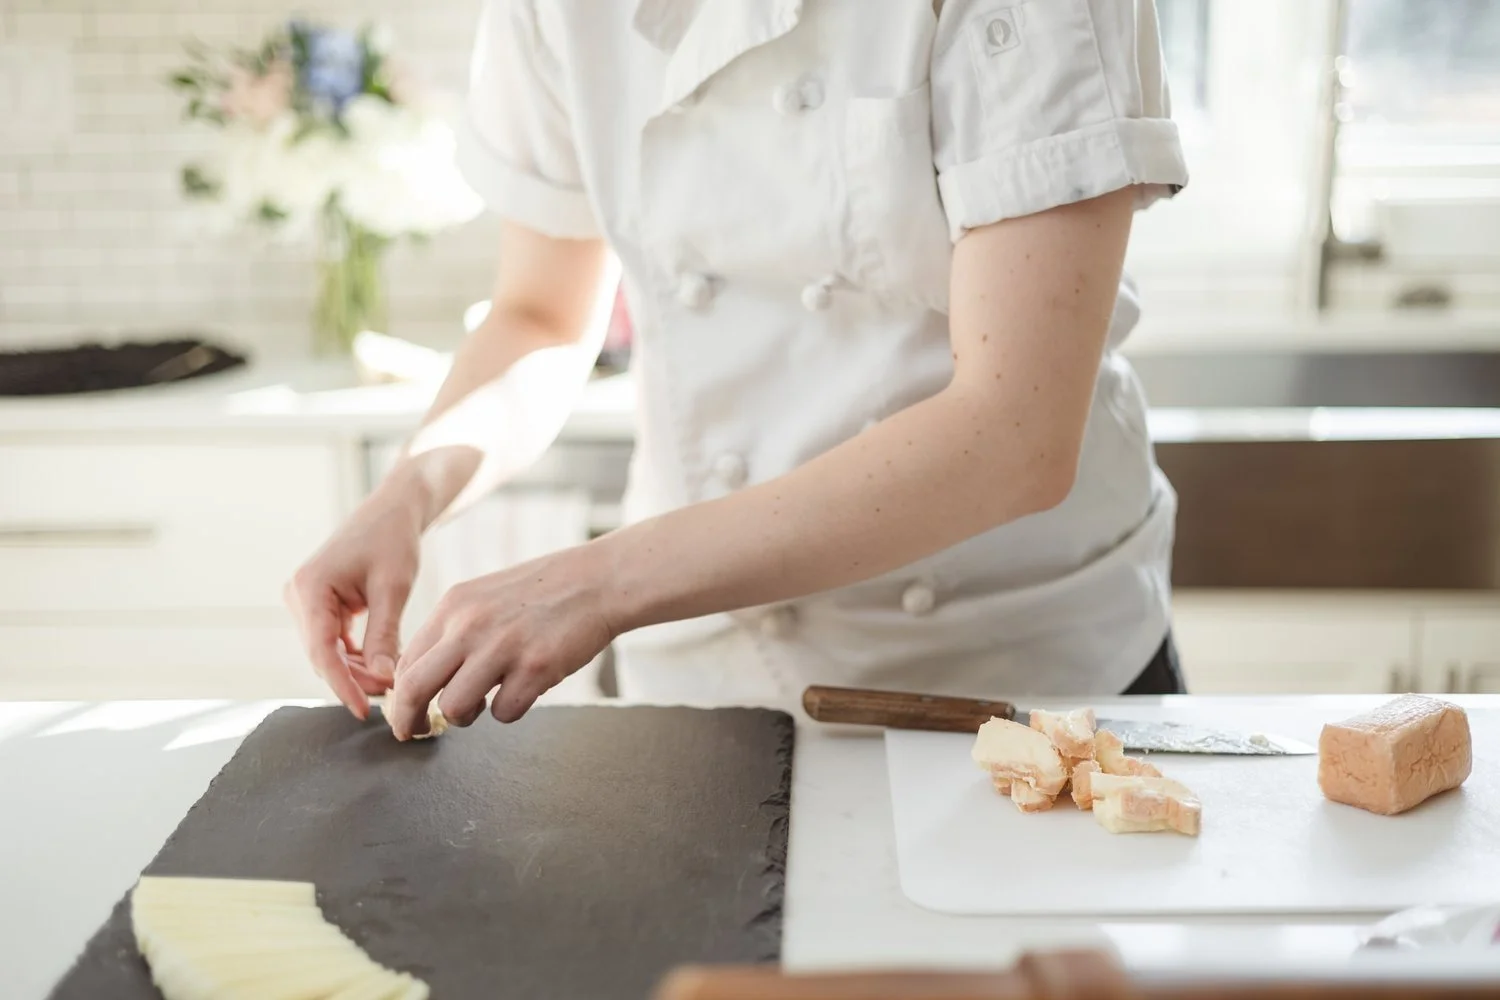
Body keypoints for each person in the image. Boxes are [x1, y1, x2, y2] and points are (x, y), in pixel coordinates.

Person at [285, 0, 1192, 741]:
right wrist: (405, 495)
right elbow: (542, 314)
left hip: (1008, 678)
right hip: (694, 682)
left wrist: (595, 584)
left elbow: (1014, 433)